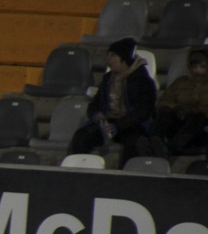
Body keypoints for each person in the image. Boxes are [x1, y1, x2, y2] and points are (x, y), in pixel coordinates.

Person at [67, 37, 156, 165]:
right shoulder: (108, 79)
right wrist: (95, 114)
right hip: (108, 123)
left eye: (113, 55)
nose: (108, 59)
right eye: (108, 55)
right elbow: (94, 104)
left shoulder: (143, 81)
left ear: (124, 58)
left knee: (134, 143)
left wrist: (118, 125)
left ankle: (123, 179)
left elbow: (143, 111)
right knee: (81, 136)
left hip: (132, 125)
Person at [140, 45, 208, 158]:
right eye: (194, 66)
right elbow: (164, 101)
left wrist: (199, 113)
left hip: (202, 128)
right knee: (165, 111)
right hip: (180, 123)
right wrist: (176, 108)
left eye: (202, 66)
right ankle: (155, 141)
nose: (197, 70)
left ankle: (174, 147)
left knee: (198, 118)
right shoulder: (180, 83)